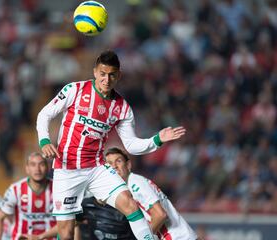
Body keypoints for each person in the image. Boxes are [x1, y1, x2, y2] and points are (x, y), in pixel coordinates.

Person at [36, 50, 186, 240]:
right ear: (95, 72)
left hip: (97, 168)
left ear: (118, 76)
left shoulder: (122, 107)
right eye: (102, 74)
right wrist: (45, 140)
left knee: (130, 204)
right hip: (68, 169)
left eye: (112, 75)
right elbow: (45, 114)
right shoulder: (74, 90)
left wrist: (156, 140)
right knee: (65, 233)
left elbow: (131, 145)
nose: (106, 79)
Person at [105, 147, 198, 240]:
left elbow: (160, 214)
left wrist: (143, 238)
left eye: (118, 161)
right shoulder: (126, 188)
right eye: (109, 164)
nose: (114, 166)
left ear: (128, 165)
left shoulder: (135, 183)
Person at [0, 152, 57, 240]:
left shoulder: (58, 188)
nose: (37, 169)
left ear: (48, 167)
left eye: (41, 164)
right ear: (27, 169)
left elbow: (69, 222)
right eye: (33, 165)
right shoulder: (15, 190)